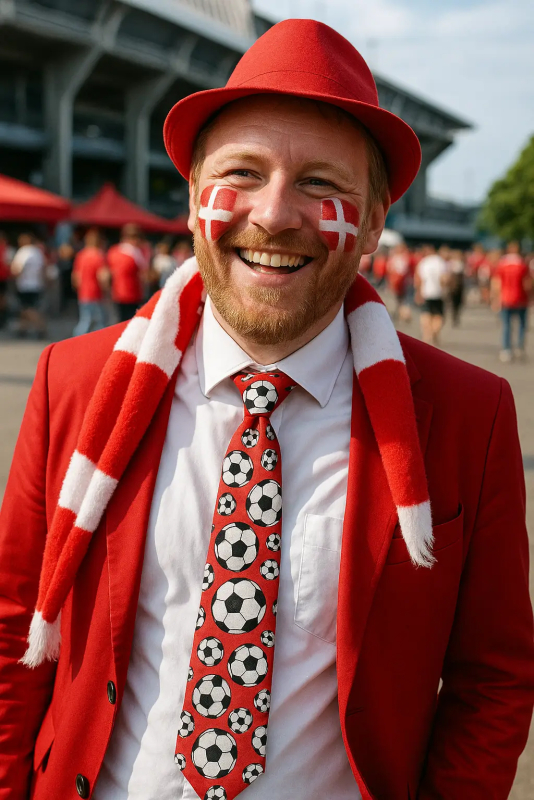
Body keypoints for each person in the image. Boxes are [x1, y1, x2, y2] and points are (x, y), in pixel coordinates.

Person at [1, 19, 533, 800]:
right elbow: (14, 628)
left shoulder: (466, 413)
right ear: (191, 198)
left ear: (375, 222)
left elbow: (493, 679)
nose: (275, 214)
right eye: (242, 173)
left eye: (322, 184)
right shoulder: (75, 381)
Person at [492, 242, 531, 362]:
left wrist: (495, 298)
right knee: (521, 325)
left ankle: (506, 349)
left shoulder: (502, 264)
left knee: (507, 325)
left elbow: (496, 283)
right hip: (521, 299)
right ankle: (519, 347)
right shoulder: (523, 265)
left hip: (505, 298)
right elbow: (527, 284)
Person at [9, 231, 46, 338]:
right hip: (37, 284)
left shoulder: (23, 252)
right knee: (24, 309)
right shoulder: (38, 252)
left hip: (25, 285)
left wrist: (12, 275)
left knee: (28, 309)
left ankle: (41, 327)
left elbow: (17, 269)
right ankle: (22, 329)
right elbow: (43, 268)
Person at [106, 223, 147, 322]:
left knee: (119, 321)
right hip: (133, 294)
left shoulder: (113, 250)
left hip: (117, 293)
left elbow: (107, 274)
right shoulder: (136, 252)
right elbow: (145, 274)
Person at [72, 229, 108, 336]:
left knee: (85, 319)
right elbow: (103, 276)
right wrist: (106, 290)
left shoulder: (81, 255)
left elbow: (75, 277)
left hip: (83, 292)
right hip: (95, 292)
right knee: (100, 322)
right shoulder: (99, 255)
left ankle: (77, 341)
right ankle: (78, 341)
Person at [415, 244, 450, 345]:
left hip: (425, 292)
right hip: (438, 292)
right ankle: (434, 332)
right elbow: (444, 278)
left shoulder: (423, 262)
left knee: (425, 313)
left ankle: (427, 334)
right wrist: (445, 289)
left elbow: (418, 279)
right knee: (438, 315)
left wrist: (418, 292)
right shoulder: (440, 262)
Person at [386, 242, 412, 321]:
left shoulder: (402, 258)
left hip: (399, 281)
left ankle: (399, 314)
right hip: (396, 280)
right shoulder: (397, 257)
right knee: (396, 299)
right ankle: (397, 314)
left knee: (399, 299)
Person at [448, 249, 466, 326]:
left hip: (460, 286)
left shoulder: (462, 264)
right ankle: (454, 315)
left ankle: (456, 315)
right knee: (453, 302)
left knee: (459, 302)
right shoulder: (450, 264)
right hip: (452, 286)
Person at [0, 231, 11, 329]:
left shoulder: (5, 249)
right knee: (2, 300)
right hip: (3, 277)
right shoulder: (5, 249)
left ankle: (3, 318)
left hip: (3, 277)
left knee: (2, 300)